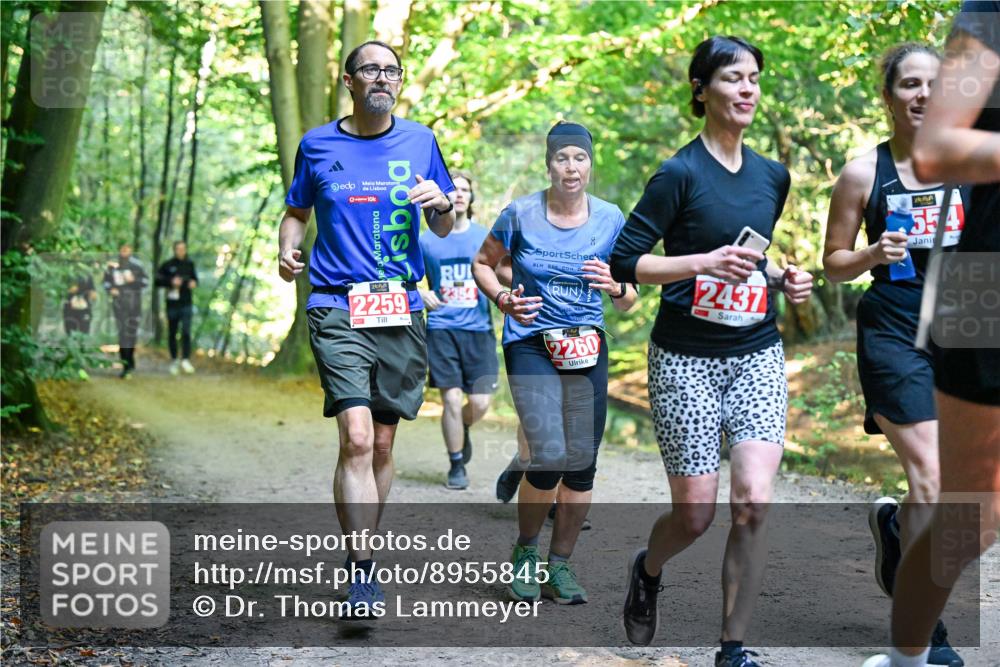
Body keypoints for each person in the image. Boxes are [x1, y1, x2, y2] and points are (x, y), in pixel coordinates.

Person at [610, 36, 813, 666]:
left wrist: (783, 278)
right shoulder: (678, 174)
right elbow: (625, 261)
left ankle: (733, 648)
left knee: (752, 501)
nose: (748, 88)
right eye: (733, 78)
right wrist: (701, 262)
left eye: (755, 77)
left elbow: (751, 256)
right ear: (702, 90)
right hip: (685, 359)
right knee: (694, 516)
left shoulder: (772, 176)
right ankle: (647, 569)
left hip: (755, 352)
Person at [278, 40, 455, 616]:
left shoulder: (422, 141)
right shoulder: (317, 144)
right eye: (371, 70)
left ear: (399, 83)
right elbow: (297, 212)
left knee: (380, 442)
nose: (383, 77)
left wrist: (443, 203)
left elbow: (447, 226)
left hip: (400, 307)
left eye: (391, 70)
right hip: (336, 304)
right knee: (354, 437)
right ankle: (362, 574)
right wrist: (288, 252)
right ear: (349, 82)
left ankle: (365, 553)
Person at [822, 43, 967, 667]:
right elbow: (832, 264)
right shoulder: (862, 174)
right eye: (909, 84)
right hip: (894, 331)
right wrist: (870, 255)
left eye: (934, 85)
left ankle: (895, 531)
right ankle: (925, 639)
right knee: (935, 484)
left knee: (955, 491)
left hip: (968, 328)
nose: (923, 95)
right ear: (889, 97)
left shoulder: (975, 169)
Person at [864, 3, 1000, 666]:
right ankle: (909, 654)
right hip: (985, 284)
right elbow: (938, 147)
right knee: (971, 512)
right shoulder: (991, 16)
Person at [472, 121, 637, 606]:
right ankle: (525, 553)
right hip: (530, 341)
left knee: (581, 463)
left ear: (590, 164)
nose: (571, 166)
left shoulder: (610, 218)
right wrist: (503, 298)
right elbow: (483, 263)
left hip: (587, 344)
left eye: (580, 158)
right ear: (549, 164)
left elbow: (630, 298)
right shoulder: (520, 213)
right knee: (548, 452)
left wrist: (615, 286)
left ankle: (558, 567)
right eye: (562, 158)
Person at [418, 172, 499, 490]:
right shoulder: (426, 239)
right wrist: (419, 293)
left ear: (472, 198)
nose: (460, 194)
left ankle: (461, 427)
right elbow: (406, 275)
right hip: (441, 328)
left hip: (479, 330)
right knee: (450, 399)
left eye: (466, 189)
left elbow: (503, 271)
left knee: (479, 403)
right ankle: (456, 465)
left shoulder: (485, 236)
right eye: (454, 189)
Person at [102, 243, 148, 379]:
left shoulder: (137, 266)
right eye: (122, 248)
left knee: (131, 334)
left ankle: (130, 361)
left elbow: (145, 281)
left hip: (134, 304)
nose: (124, 251)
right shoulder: (112, 266)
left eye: (127, 249)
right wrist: (111, 289)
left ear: (131, 250)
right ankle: (125, 364)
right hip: (119, 305)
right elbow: (105, 283)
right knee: (122, 334)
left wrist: (134, 280)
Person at [156, 240, 199, 375]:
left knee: (186, 331)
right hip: (172, 305)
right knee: (172, 332)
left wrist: (193, 283)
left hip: (186, 303)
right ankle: (174, 359)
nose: (181, 251)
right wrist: (170, 282)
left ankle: (185, 359)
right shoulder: (167, 265)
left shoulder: (189, 264)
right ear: (175, 250)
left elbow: (195, 280)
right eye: (178, 249)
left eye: (183, 249)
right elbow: (157, 281)